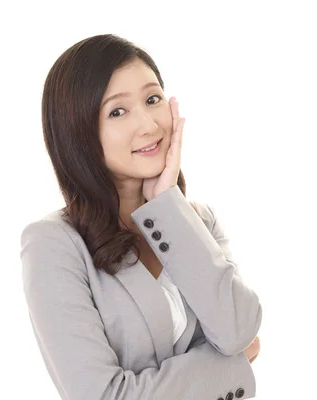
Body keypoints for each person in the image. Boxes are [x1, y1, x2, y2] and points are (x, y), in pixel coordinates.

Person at [20, 33, 262, 400]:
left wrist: (166, 204)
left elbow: (238, 332)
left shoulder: (199, 222)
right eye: (118, 111)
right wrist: (231, 365)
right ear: (78, 132)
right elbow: (102, 396)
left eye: (153, 99)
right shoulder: (53, 244)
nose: (149, 125)